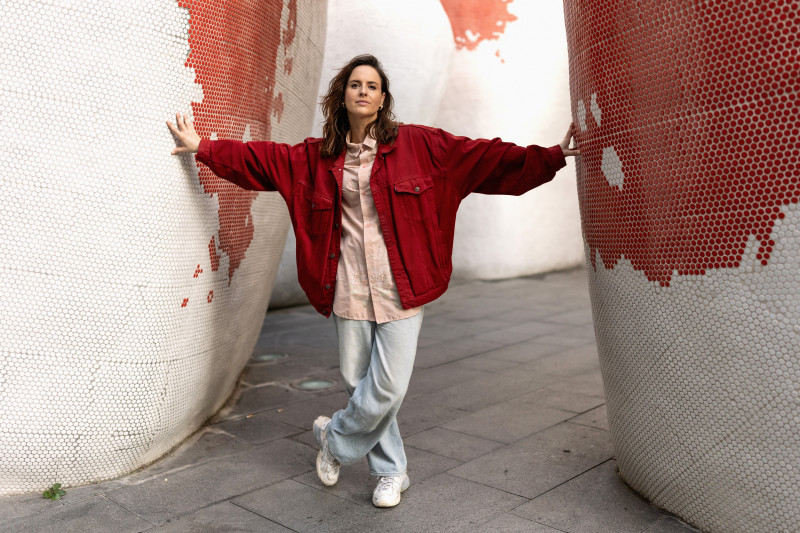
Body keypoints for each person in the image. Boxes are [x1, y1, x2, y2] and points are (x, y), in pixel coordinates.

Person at [167, 54, 580, 508]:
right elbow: (259, 160)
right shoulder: (313, 157)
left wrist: (552, 155)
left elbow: (487, 158)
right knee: (358, 381)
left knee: (387, 387)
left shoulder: (423, 146)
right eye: (355, 84)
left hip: (402, 287)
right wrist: (202, 147)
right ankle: (391, 472)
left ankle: (334, 440)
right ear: (342, 96)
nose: (363, 91)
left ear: (383, 100)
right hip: (346, 287)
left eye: (372, 86)